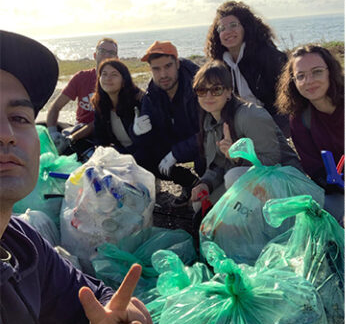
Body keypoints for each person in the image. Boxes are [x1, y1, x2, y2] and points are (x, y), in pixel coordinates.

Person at [0, 30, 155, 324]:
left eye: (19, 117)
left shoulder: (21, 244)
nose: (5, 134)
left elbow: (85, 296)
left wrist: (111, 316)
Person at [190, 60, 302, 206]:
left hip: (286, 180)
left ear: (229, 91)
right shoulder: (209, 122)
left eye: (216, 90)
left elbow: (273, 160)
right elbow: (217, 164)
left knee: (233, 176)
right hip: (248, 180)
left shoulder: (250, 116)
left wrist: (239, 157)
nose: (208, 96)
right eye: (202, 91)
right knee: (200, 204)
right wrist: (206, 184)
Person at [276, 45, 345, 223]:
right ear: (293, 81)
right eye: (301, 76)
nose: (309, 81)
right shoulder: (300, 119)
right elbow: (313, 168)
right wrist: (330, 182)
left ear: (331, 72)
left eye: (317, 72)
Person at [204, 1, 289, 133]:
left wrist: (271, 128)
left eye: (233, 25)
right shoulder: (219, 66)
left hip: (272, 126)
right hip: (239, 127)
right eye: (222, 28)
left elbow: (288, 101)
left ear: (246, 27)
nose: (228, 32)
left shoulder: (269, 57)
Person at [136, 41, 202, 206]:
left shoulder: (199, 86)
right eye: (156, 69)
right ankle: (188, 182)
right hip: (174, 139)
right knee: (141, 156)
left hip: (201, 141)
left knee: (204, 163)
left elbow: (210, 131)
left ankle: (209, 188)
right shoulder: (152, 94)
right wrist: (136, 130)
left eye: (168, 66)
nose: (163, 74)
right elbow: (146, 135)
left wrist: (176, 154)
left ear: (178, 64)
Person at [46, 38, 118, 154]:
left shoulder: (117, 82)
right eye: (102, 51)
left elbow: (98, 122)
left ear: (116, 58)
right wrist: (53, 133)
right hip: (79, 128)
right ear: (95, 55)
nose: (106, 55)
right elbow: (55, 106)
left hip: (103, 133)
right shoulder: (81, 78)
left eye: (111, 53)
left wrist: (72, 137)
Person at [91, 59, 150, 159]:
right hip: (121, 156)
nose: (107, 79)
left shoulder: (138, 102)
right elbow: (100, 138)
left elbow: (147, 142)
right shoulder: (101, 105)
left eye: (114, 75)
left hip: (143, 157)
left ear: (124, 81)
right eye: (104, 74)